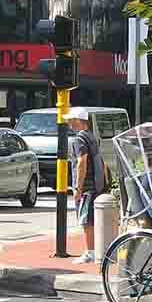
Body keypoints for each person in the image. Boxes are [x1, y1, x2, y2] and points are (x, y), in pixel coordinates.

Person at [66, 107, 107, 264]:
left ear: (78, 121)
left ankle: (90, 252)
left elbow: (81, 162)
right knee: (92, 219)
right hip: (96, 185)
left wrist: (78, 188)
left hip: (87, 186)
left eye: (71, 120)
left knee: (86, 220)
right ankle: (94, 250)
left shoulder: (79, 139)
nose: (69, 123)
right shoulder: (92, 137)